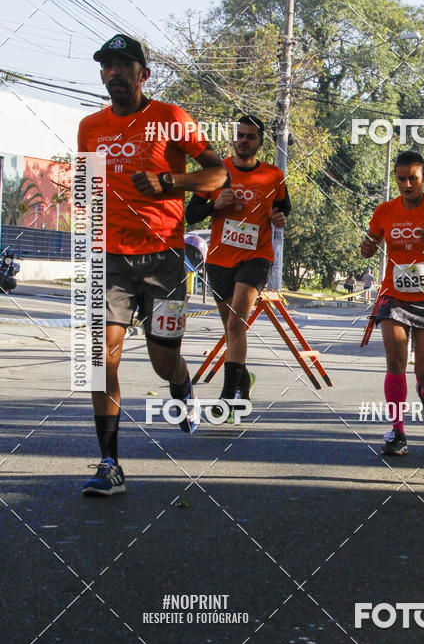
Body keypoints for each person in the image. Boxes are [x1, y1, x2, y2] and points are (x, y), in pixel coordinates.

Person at [78, 34, 227, 495]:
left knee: (163, 361)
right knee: (98, 359)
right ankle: (109, 463)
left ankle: (182, 385)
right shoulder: (90, 127)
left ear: (144, 74)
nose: (115, 73)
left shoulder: (171, 119)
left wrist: (170, 179)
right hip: (111, 258)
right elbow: (87, 188)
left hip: (164, 259)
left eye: (125, 65)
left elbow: (218, 173)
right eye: (108, 66)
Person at [185, 115, 290, 418]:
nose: (244, 141)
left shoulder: (273, 176)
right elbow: (191, 215)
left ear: (260, 142)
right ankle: (244, 378)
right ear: (233, 139)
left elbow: (283, 208)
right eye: (240, 136)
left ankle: (227, 399)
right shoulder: (217, 172)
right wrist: (213, 206)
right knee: (232, 333)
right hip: (219, 259)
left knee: (236, 324)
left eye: (250, 137)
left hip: (256, 256)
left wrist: (277, 217)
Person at [360, 150, 424, 456]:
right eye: (401, 178)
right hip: (393, 295)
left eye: (413, 178)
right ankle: (397, 431)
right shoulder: (384, 211)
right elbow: (370, 244)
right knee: (395, 363)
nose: (407, 184)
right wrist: (367, 247)